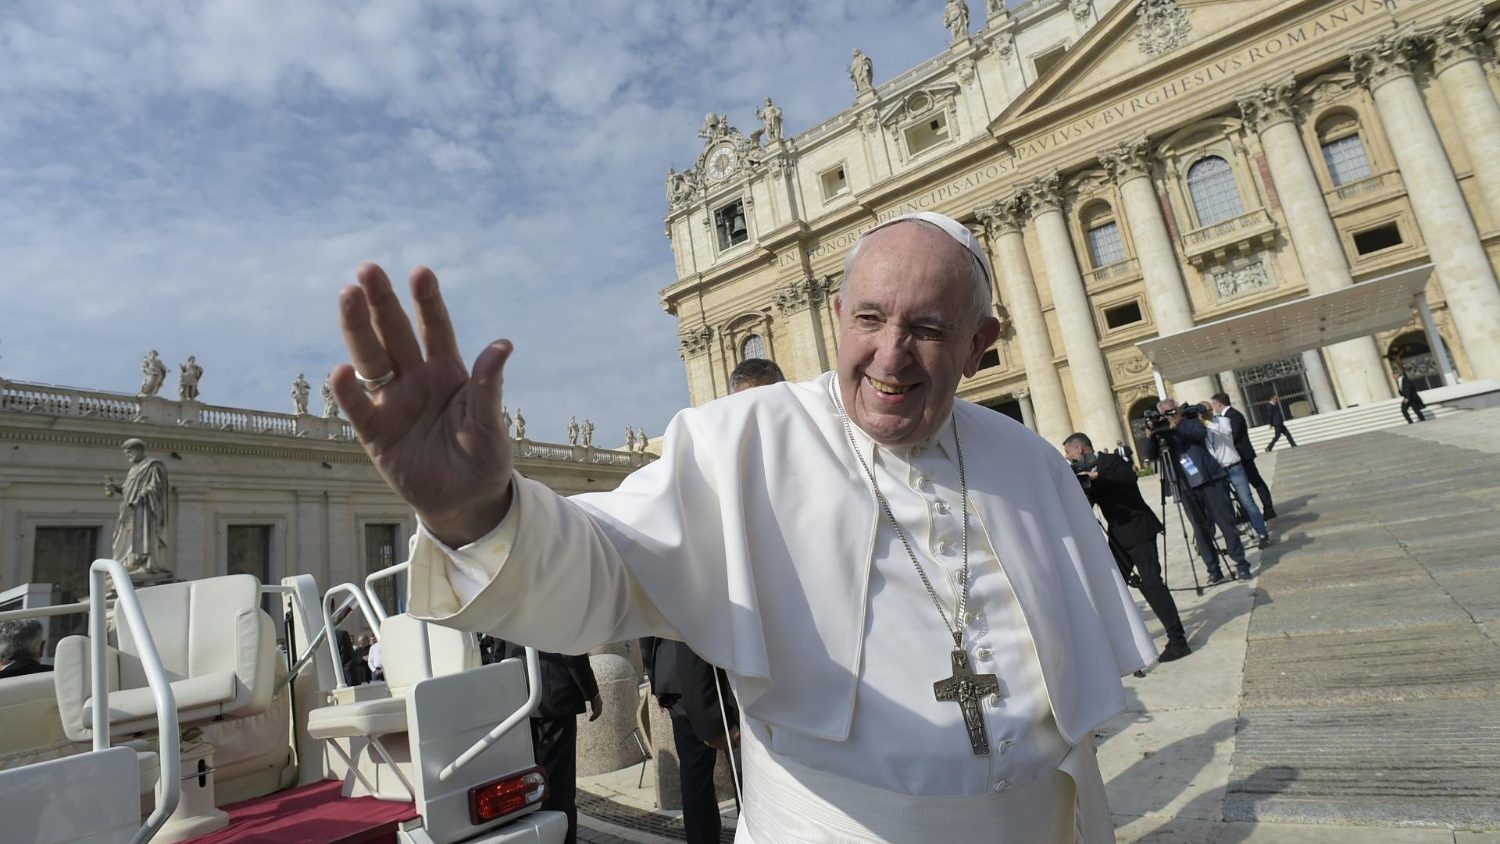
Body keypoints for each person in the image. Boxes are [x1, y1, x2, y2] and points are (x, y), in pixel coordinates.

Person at [330, 211, 1153, 842]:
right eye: (870, 320)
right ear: (837, 315)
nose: (891, 355)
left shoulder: (1029, 461)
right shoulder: (742, 439)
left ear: (981, 344)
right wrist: (471, 509)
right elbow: (605, 567)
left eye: (928, 330)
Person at [1063, 434, 1190, 663]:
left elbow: (1128, 477)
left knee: (1152, 583)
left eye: (1069, 453)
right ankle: (1127, 643)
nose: (1068, 457)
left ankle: (1178, 640)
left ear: (1080, 449)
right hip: (1119, 536)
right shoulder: (1085, 473)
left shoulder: (1111, 461)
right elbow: (1087, 505)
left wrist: (1097, 476)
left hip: (1139, 529)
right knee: (1114, 587)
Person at [480, 637, 602, 844]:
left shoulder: (505, 604)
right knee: (558, 784)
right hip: (553, 698)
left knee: (528, 783)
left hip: (518, 695)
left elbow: (498, 651)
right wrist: (592, 692)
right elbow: (570, 646)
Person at [1143, 400, 1253, 585]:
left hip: (1210, 479)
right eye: (1167, 413)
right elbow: (1151, 455)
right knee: (1200, 531)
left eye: (1173, 411)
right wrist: (1150, 435)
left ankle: (1241, 563)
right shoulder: (1160, 431)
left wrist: (1176, 426)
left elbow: (1200, 434)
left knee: (1226, 523)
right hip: (1185, 486)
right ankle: (1214, 569)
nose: (1171, 414)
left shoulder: (1189, 421)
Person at [643, 637, 739, 843]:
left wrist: (656, 679)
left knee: (695, 777)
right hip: (719, 677)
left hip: (674, 678)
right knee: (744, 777)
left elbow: (647, 630)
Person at [1201, 401, 1271, 549]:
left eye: (1206, 410)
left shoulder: (1222, 421)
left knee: (1247, 501)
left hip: (1234, 467)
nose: (1204, 413)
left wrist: (1206, 422)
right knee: (1224, 507)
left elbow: (1225, 432)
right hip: (1218, 472)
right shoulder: (1200, 428)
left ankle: (1263, 533)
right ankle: (1233, 540)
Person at [104, 438, 170, 575]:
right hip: (130, 510)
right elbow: (128, 490)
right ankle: (131, 563)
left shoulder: (153, 465)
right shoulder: (133, 469)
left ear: (139, 450)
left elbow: (155, 486)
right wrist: (115, 488)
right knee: (124, 538)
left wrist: (140, 497)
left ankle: (145, 565)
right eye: (126, 454)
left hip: (145, 509)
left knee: (142, 536)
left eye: (130, 453)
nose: (128, 456)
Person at [1209, 393, 1275, 519]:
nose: (1213, 407)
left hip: (1243, 456)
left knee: (1256, 482)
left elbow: (1233, 435)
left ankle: (1269, 509)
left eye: (1214, 404)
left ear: (1219, 404)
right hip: (1235, 457)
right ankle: (1245, 513)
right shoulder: (1225, 416)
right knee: (1240, 488)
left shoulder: (1233, 415)